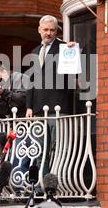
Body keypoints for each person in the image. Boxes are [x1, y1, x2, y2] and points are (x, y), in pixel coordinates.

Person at [25, 15, 75, 186]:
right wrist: (29, 106)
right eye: (45, 29)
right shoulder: (34, 51)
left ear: (56, 32)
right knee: (40, 151)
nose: (48, 33)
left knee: (59, 149)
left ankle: (57, 185)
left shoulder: (64, 48)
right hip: (38, 109)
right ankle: (41, 186)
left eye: (52, 30)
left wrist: (71, 51)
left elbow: (73, 75)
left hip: (57, 107)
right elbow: (30, 81)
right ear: (39, 30)